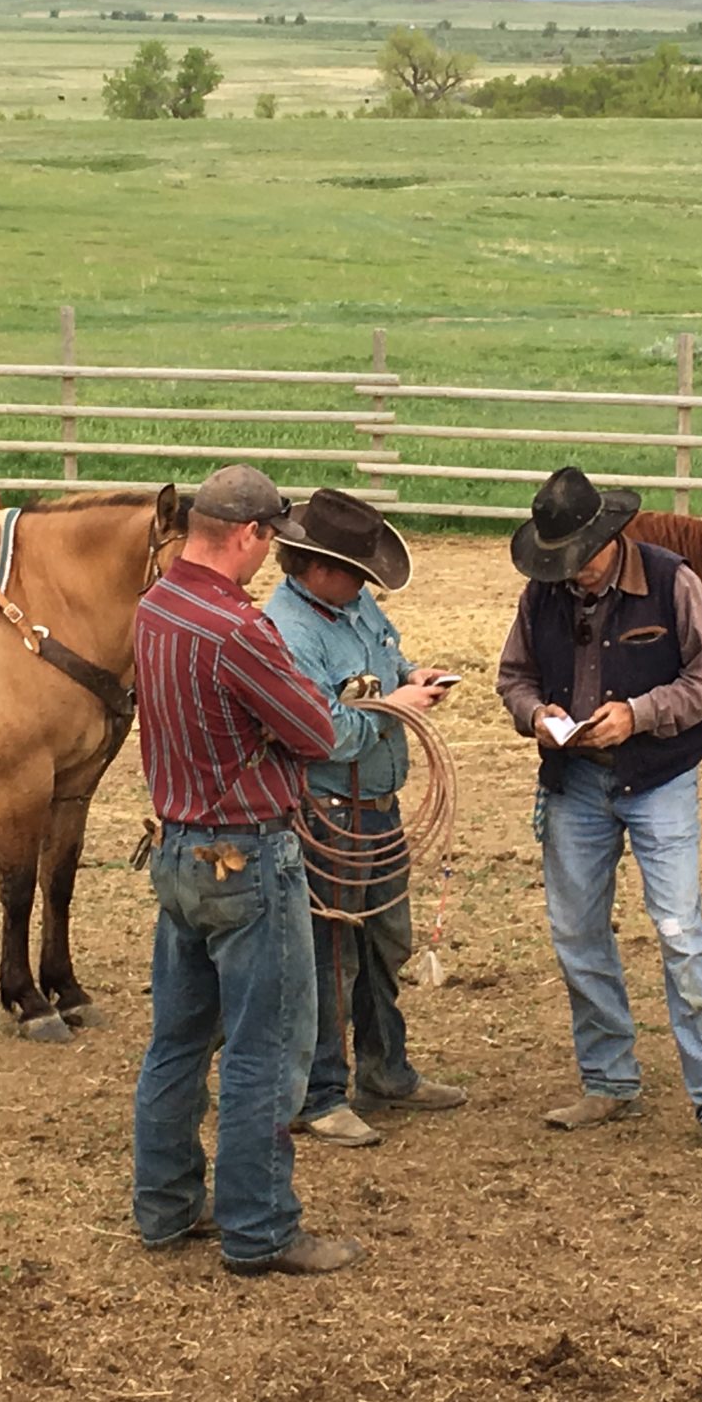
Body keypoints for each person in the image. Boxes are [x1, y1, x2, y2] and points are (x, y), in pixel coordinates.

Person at [129, 463, 360, 1278]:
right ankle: (259, 1230)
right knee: (268, 1047)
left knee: (179, 1041)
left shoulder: (155, 606)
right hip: (250, 855)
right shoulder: (239, 628)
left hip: (178, 846)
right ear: (249, 535)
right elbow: (314, 731)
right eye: (271, 540)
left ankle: (164, 1209)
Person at [495, 465, 702, 1168]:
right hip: (574, 777)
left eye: (578, 560)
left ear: (608, 541)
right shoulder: (542, 593)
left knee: (681, 933)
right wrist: (536, 714)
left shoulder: (675, 583)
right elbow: (513, 675)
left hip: (658, 777)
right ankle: (609, 1078)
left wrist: (641, 715)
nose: (570, 574)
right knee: (577, 932)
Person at [262, 488, 468, 1148]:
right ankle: (320, 1093)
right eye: (356, 570)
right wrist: (400, 707)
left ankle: (385, 1068)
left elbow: (382, 663)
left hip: (374, 811)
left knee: (382, 942)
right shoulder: (289, 633)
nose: (365, 583)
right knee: (331, 953)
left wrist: (410, 674)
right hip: (326, 815)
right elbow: (321, 735)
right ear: (315, 566)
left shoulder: (352, 604)